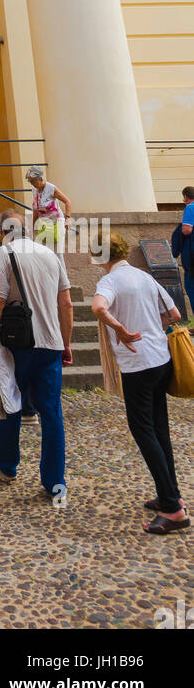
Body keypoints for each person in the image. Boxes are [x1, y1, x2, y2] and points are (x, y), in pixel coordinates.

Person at [92, 233, 188, 535]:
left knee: (143, 430)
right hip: (160, 358)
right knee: (160, 429)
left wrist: (120, 328)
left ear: (101, 256)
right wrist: (149, 328)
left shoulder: (109, 282)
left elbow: (98, 308)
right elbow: (174, 313)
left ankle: (173, 509)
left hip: (138, 364)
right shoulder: (144, 276)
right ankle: (169, 493)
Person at [0, 211, 73, 499]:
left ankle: (8, 465)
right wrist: (66, 342)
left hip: (17, 343)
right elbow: (66, 303)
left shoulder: (3, 253)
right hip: (51, 342)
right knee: (51, 412)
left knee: (12, 403)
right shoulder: (50, 254)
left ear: (3, 231)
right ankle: (54, 481)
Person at [26, 165, 71, 255]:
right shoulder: (34, 190)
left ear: (40, 178)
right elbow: (35, 209)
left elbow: (67, 201)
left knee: (58, 253)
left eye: (33, 181)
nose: (32, 183)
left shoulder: (51, 188)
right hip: (44, 223)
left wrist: (68, 218)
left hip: (57, 221)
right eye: (30, 181)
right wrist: (32, 224)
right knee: (46, 253)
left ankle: (61, 269)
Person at [172, 185, 194, 315]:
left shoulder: (190, 207)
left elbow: (187, 230)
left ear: (186, 197)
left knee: (191, 289)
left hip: (192, 260)